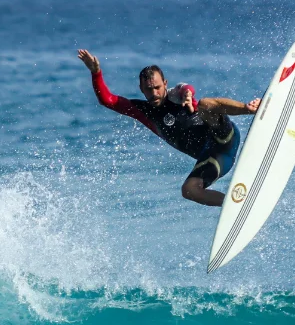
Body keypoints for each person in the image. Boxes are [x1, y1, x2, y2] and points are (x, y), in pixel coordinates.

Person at [77, 49, 259, 207]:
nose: (154, 93)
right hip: (213, 157)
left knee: (205, 104)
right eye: (148, 89)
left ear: (165, 84)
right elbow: (108, 100)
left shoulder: (176, 95)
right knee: (189, 190)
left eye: (157, 87)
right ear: (141, 88)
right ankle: (236, 205)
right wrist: (96, 72)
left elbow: (186, 88)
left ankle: (250, 109)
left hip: (224, 137)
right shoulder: (142, 111)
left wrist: (188, 95)